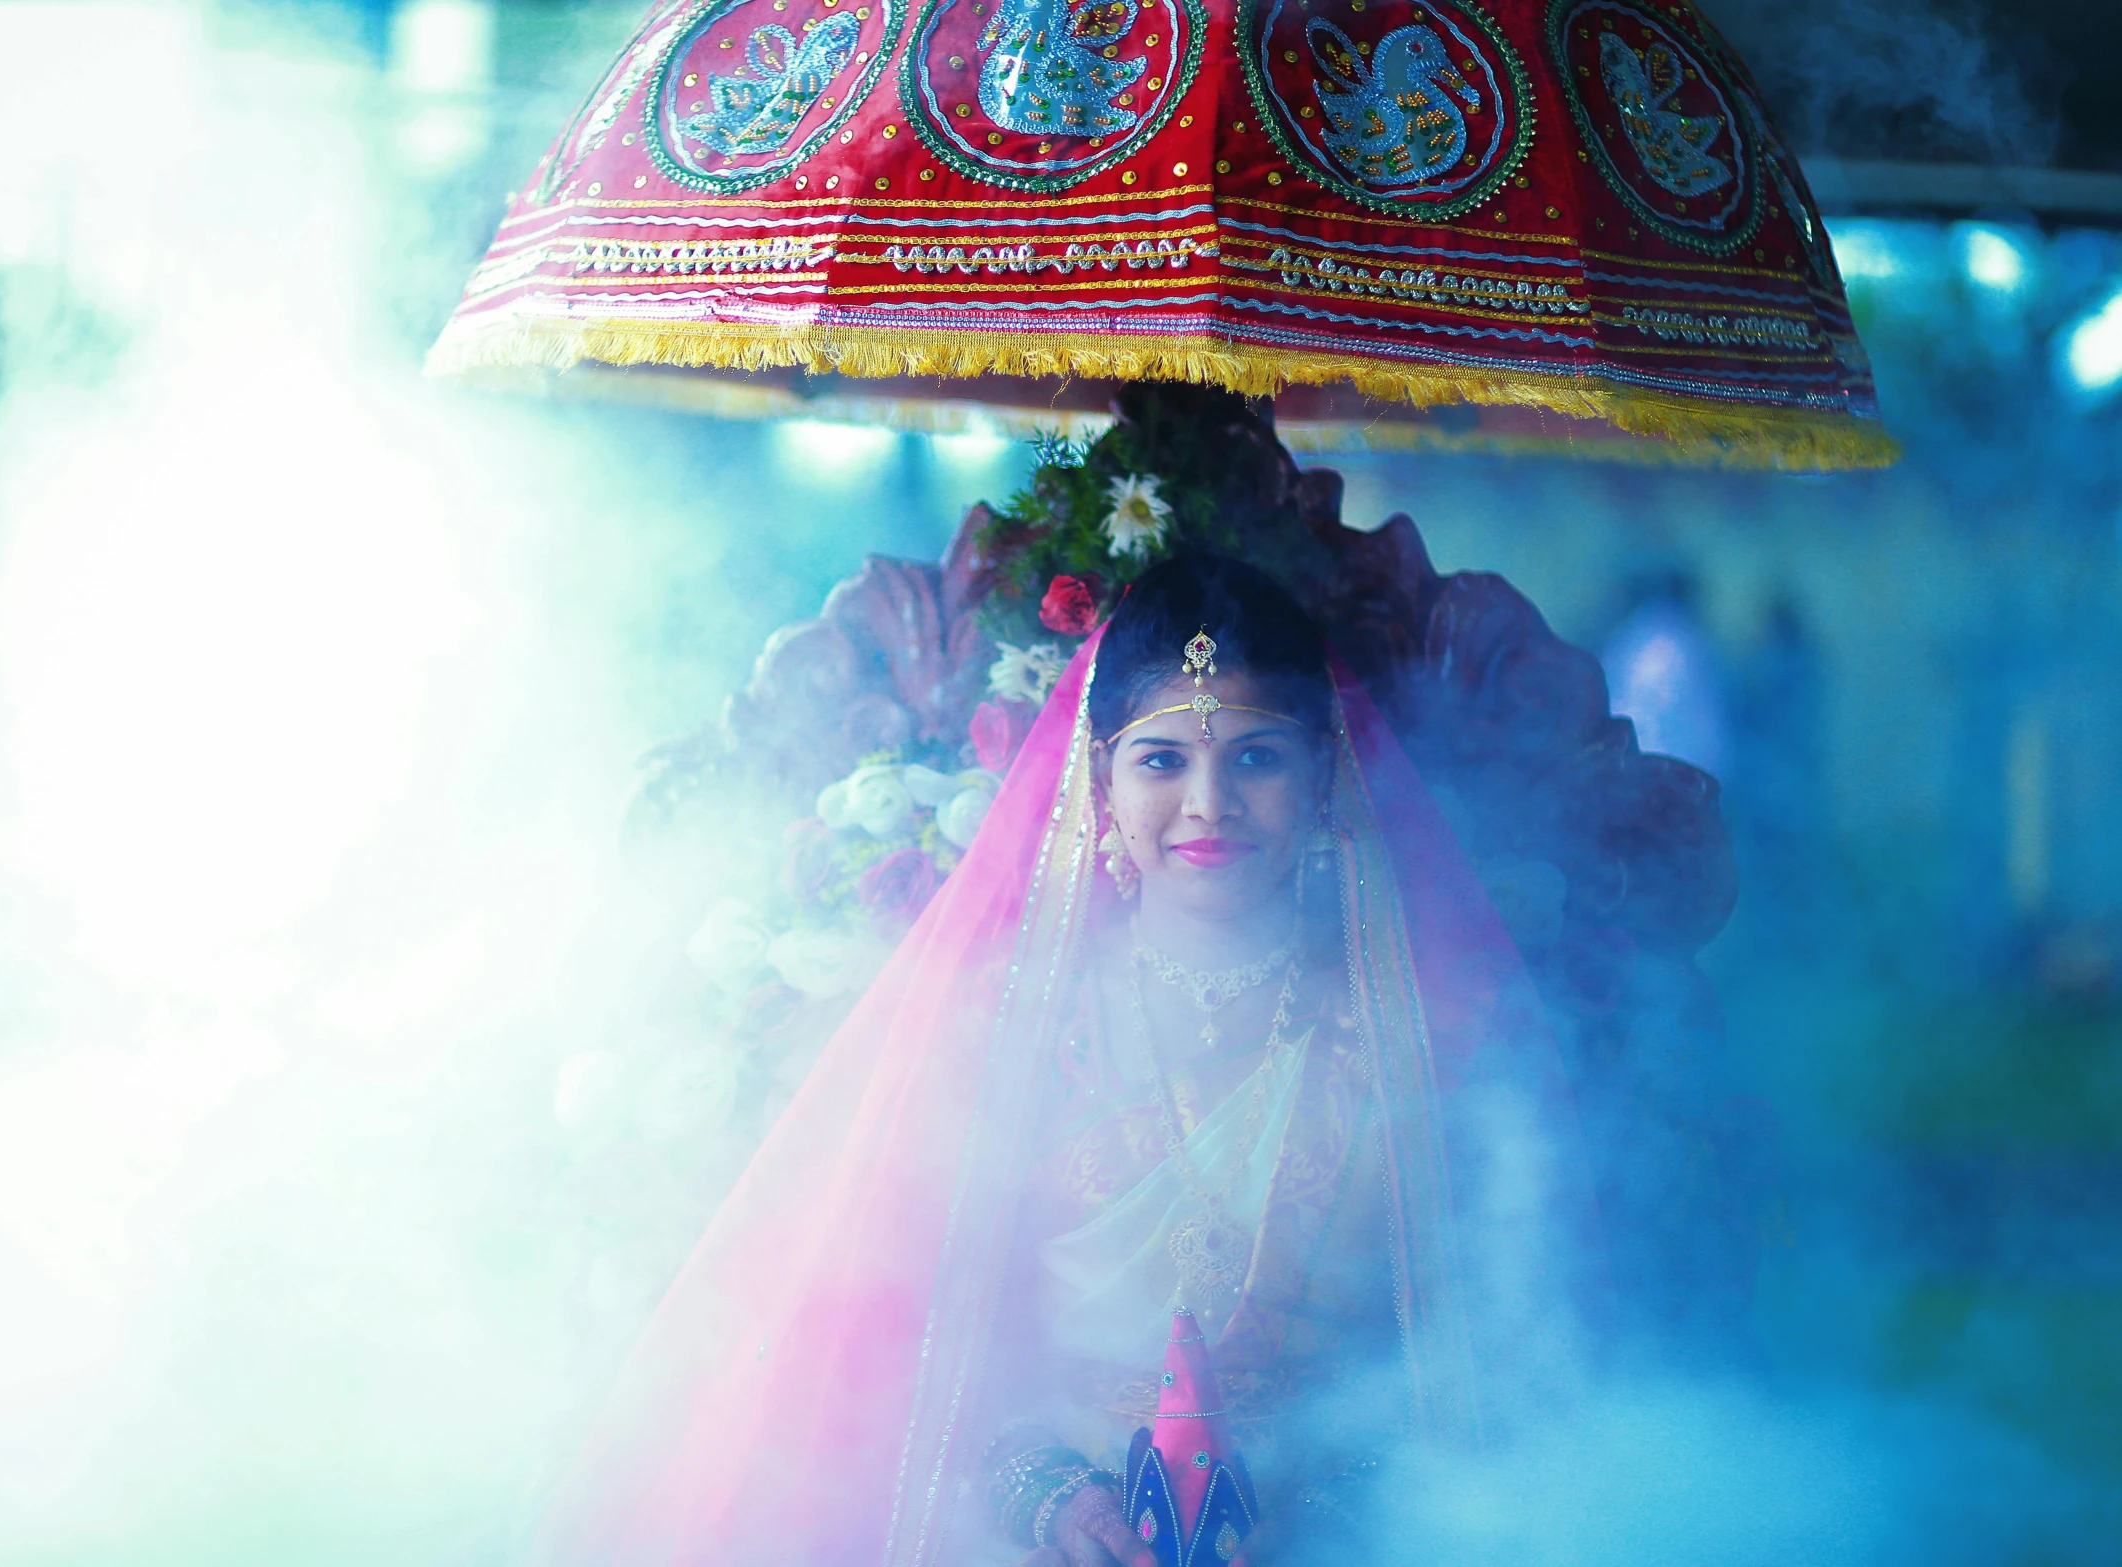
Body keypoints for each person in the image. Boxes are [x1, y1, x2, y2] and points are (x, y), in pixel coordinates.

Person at [539, 556, 1587, 1567]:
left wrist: (1323, 1498)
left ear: (1324, 777)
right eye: (1163, 759)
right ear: (1099, 780)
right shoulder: (1007, 1028)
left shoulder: (1407, 1035)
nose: (1209, 803)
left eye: (1256, 756)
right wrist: (1049, 1498)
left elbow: (1479, 1355)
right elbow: (904, 1340)